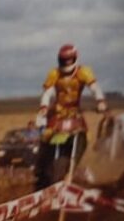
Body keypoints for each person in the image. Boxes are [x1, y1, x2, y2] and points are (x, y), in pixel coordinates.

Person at [34, 43, 107, 189]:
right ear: (59, 60)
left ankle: (72, 170)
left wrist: (100, 101)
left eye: (69, 59)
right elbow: (47, 93)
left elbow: (94, 87)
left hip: (74, 112)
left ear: (74, 58)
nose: (67, 62)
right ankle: (40, 167)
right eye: (64, 60)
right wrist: (43, 108)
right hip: (58, 112)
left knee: (83, 136)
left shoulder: (83, 72)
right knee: (46, 136)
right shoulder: (54, 73)